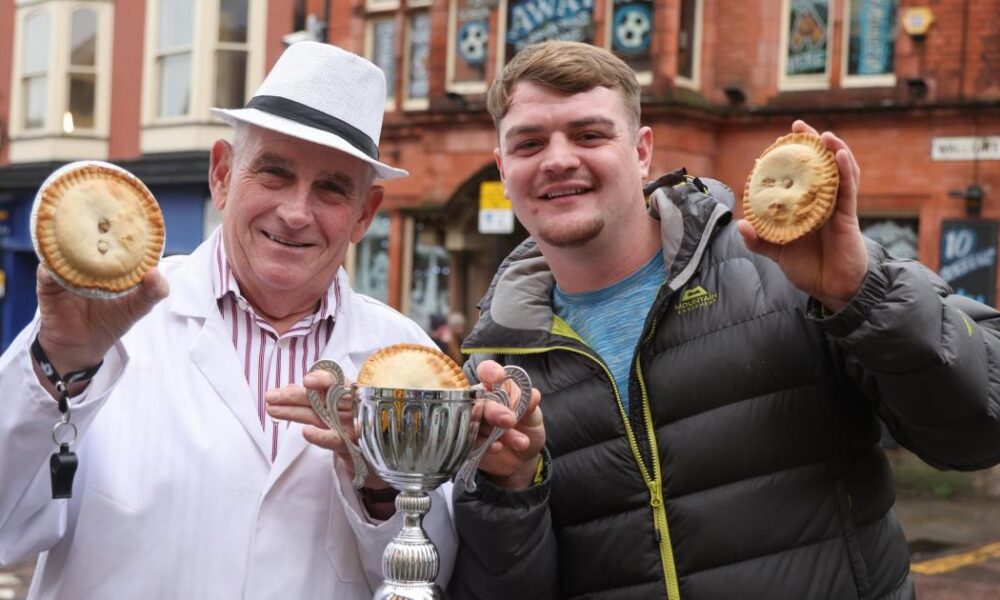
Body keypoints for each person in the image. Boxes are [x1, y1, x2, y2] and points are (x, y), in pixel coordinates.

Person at [446, 40, 1000, 599]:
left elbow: (980, 430)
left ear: (642, 153)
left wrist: (865, 295)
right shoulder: (496, 368)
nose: (558, 159)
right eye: (529, 143)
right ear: (503, 167)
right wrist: (511, 488)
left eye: (590, 135)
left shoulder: (792, 269)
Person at [0, 42, 457, 598]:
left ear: (365, 213)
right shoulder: (112, 321)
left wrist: (380, 484)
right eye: (273, 173)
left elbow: (431, 574)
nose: (295, 212)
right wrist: (59, 366)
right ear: (222, 175)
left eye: (332, 189)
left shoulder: (407, 360)